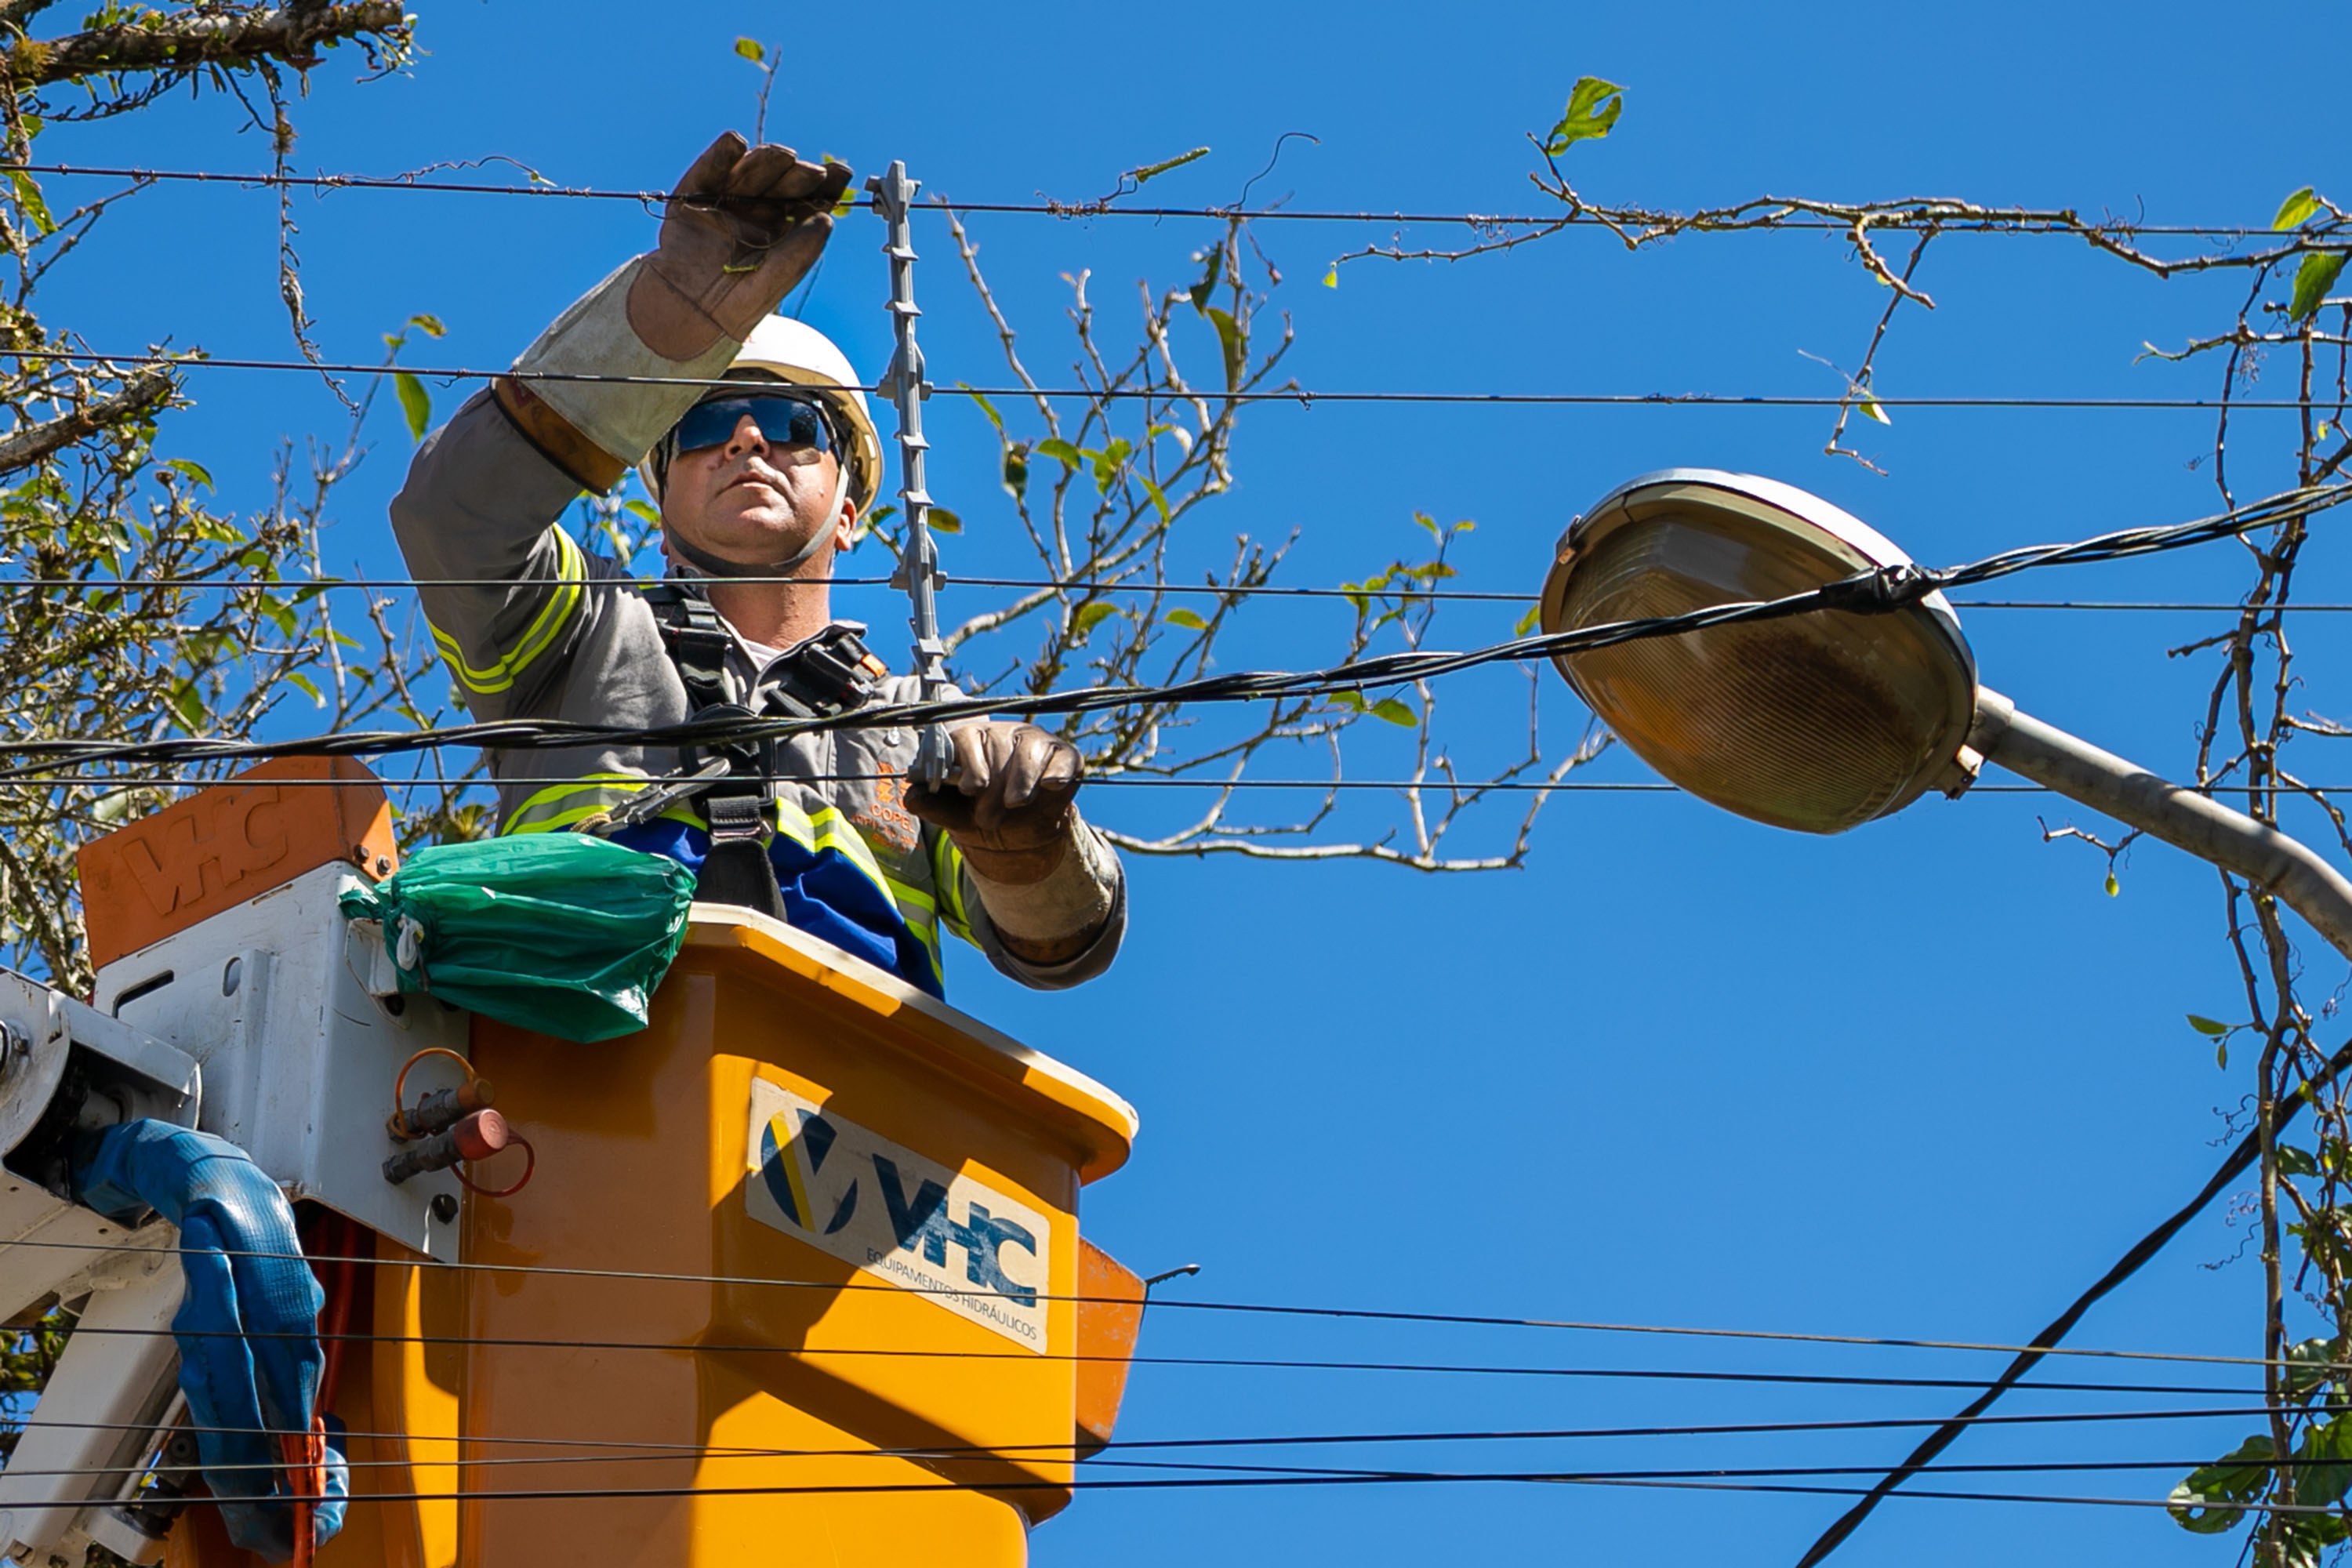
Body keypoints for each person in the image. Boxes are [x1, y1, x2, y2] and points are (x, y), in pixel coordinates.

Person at [389, 132, 1123, 996]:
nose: (745, 437)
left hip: (846, 1105)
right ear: (660, 507)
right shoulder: (580, 633)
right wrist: (659, 327)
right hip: (594, 1081)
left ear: (849, 512)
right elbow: (452, 517)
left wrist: (1032, 844)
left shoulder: (914, 722)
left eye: (791, 425)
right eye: (704, 424)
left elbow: (1064, 943)